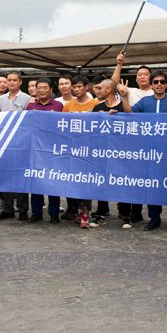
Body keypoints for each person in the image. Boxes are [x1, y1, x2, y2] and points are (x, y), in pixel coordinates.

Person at [120, 70, 167, 231]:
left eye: (162, 82)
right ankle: (154, 219)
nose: (159, 84)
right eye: (156, 82)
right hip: (149, 152)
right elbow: (129, 113)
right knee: (153, 186)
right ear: (152, 85)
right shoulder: (144, 101)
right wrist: (124, 96)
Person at [89, 78, 135, 228]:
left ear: (108, 90)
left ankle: (126, 215)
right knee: (102, 182)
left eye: (100, 88)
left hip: (122, 152)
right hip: (103, 152)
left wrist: (124, 97)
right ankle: (101, 212)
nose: (97, 91)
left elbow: (130, 116)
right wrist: (101, 117)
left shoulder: (122, 106)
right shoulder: (97, 108)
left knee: (123, 182)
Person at [0, 71, 32, 222]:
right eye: (9, 80)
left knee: (21, 177)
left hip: (22, 143)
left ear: (20, 82)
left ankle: (23, 210)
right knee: (6, 176)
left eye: (14, 80)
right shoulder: (1, 99)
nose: (11, 82)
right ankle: (8, 208)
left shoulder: (27, 98)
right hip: (5, 143)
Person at [61, 75, 99, 227]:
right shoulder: (68, 105)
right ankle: (75, 212)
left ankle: (85, 215)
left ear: (86, 87)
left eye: (79, 86)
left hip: (89, 150)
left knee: (86, 184)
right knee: (73, 183)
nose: (76, 89)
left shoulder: (95, 104)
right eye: (74, 87)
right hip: (71, 149)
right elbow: (61, 126)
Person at [25, 78, 63, 224]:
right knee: (35, 182)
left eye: (44, 87)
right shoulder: (30, 106)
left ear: (51, 90)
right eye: (38, 87)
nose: (41, 90)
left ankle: (54, 214)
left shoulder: (58, 105)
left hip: (53, 149)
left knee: (53, 182)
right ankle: (36, 212)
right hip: (35, 149)